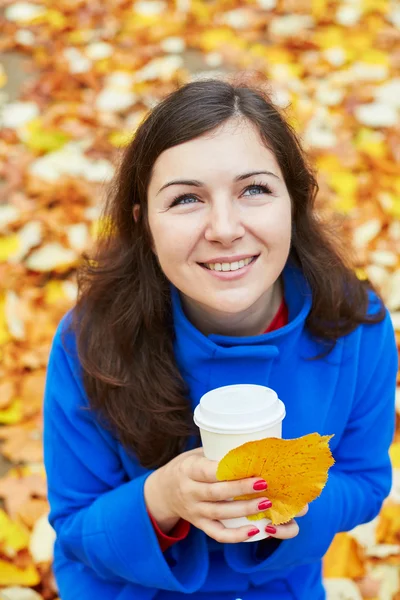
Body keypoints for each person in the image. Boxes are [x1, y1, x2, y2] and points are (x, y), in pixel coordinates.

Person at [43, 77, 398, 600]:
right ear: (144, 224)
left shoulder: (353, 324)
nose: (225, 228)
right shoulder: (89, 341)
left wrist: (296, 495)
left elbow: (366, 482)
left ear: (294, 204)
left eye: (254, 190)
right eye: (186, 199)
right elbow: (75, 527)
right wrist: (161, 498)